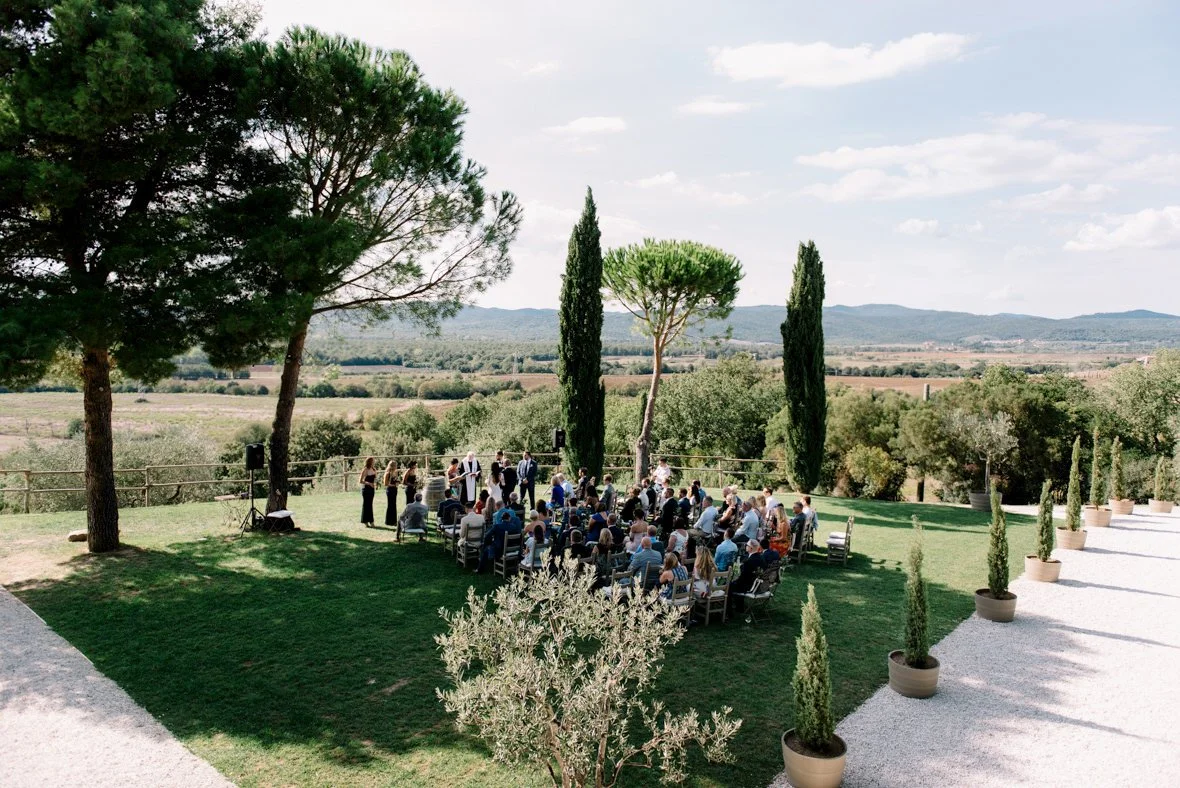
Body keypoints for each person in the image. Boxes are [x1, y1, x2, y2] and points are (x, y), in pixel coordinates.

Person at [476, 501, 522, 573]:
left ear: (501, 519)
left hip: (500, 550)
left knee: (485, 549)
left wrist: (488, 542)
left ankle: (480, 569)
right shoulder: (514, 527)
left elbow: (487, 536)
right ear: (509, 518)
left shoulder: (497, 526)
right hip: (512, 548)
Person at [358, 456, 377, 527]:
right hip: (366, 489)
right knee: (366, 505)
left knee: (370, 505)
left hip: (372, 489)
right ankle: (366, 521)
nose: (374, 462)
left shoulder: (374, 469)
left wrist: (375, 483)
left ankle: (371, 521)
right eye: (373, 461)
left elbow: (375, 478)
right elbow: (360, 481)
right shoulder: (365, 470)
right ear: (369, 462)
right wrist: (369, 483)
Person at [382, 460, 398, 527]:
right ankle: (388, 521)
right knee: (390, 505)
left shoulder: (395, 472)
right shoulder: (387, 473)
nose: (395, 466)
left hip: (394, 490)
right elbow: (385, 484)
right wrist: (393, 485)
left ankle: (394, 521)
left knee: (394, 505)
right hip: (390, 490)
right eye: (394, 465)